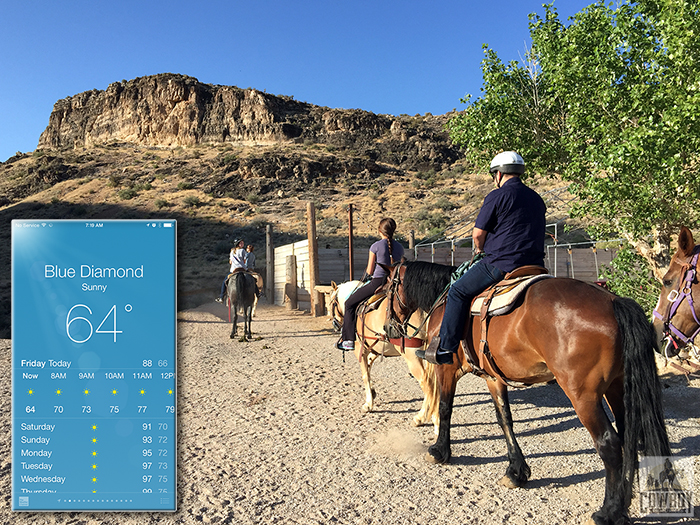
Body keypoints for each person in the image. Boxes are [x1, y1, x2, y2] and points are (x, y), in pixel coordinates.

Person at [416, 151, 546, 364]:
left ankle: (446, 349)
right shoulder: (537, 198)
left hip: (501, 263)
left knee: (457, 290)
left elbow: (478, 234)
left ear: (498, 174)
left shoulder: (497, 196)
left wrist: (479, 249)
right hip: (535, 265)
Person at [337, 218, 405, 351]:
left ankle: (348, 340)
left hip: (377, 282)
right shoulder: (400, 247)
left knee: (349, 303)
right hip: (394, 283)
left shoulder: (375, 246)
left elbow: (369, 270)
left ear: (380, 230)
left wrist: (368, 274)